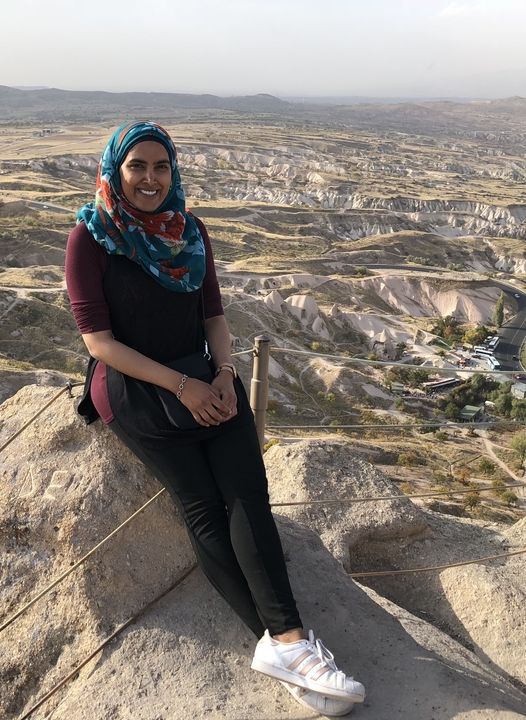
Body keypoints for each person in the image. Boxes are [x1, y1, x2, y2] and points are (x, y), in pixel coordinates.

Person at [65, 121, 365, 717]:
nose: (150, 178)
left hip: (205, 377)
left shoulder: (188, 232)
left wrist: (223, 375)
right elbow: (98, 342)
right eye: (137, 167)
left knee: (248, 497)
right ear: (115, 171)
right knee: (201, 504)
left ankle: (287, 648)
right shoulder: (90, 239)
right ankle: (291, 645)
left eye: (161, 167)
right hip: (137, 387)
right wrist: (183, 387)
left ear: (172, 172)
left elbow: (214, 319)